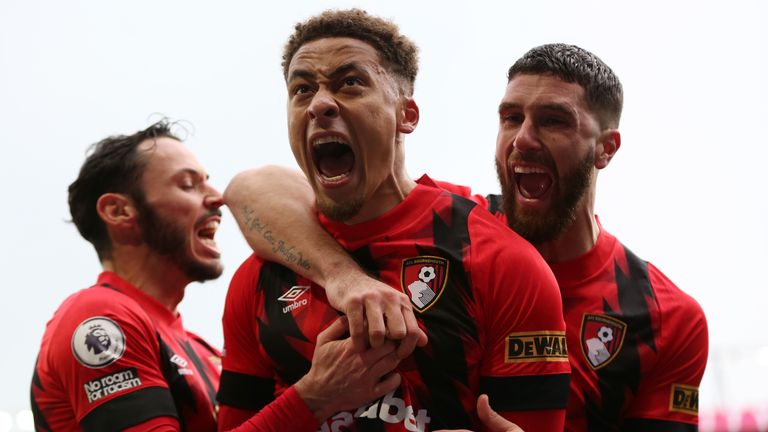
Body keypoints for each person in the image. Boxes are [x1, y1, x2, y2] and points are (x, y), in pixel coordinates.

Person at [225, 43, 709, 431]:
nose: (522, 139)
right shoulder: (459, 226)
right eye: (511, 117)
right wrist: (343, 277)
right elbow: (251, 190)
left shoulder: (668, 317)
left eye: (554, 121)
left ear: (606, 148)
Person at [218, 9, 570, 432]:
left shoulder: (502, 262)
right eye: (302, 89)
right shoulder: (259, 278)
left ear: (407, 115)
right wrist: (311, 397)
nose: (320, 104)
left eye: (350, 83)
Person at [30, 121, 403, 432]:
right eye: (188, 184)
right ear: (118, 211)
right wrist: (317, 396)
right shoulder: (100, 317)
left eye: (208, 181)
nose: (217, 197)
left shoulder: (200, 349)